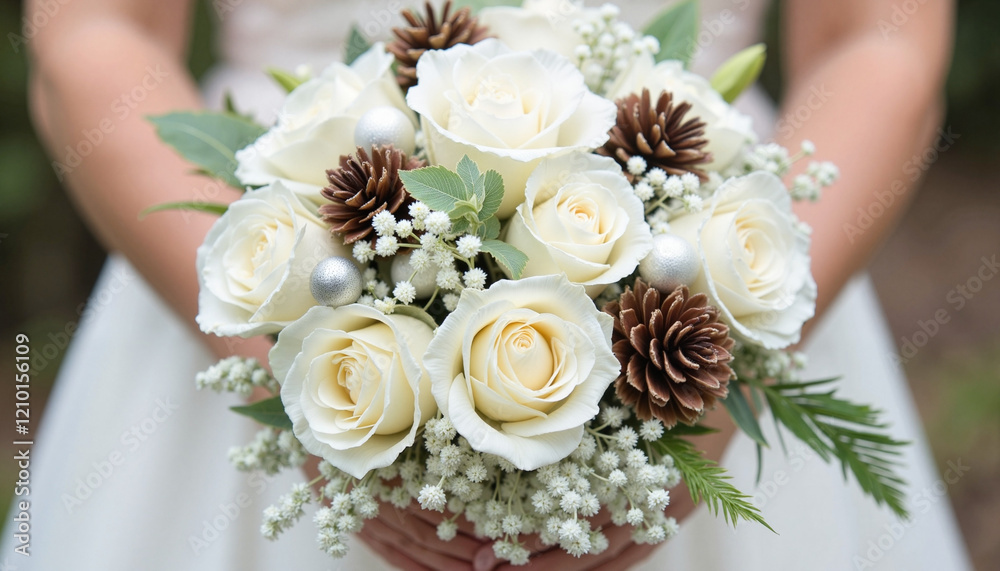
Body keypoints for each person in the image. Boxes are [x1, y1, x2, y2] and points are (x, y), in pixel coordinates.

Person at [5, 0, 971, 569]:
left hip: (714, 238)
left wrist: (721, 366)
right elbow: (92, 28)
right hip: (272, 247)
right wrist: (290, 365)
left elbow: (878, 36)